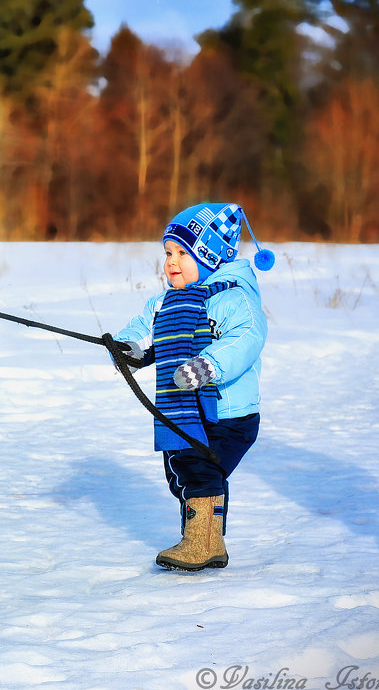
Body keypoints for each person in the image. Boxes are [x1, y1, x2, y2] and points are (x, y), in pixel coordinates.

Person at [114, 202, 274, 571]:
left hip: (230, 415)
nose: (171, 261)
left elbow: (247, 338)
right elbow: (143, 333)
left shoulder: (234, 299)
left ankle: (200, 543)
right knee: (184, 472)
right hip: (184, 410)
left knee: (198, 469)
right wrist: (128, 349)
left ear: (210, 255)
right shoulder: (165, 303)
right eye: (168, 252)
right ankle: (208, 541)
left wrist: (208, 365)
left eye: (182, 253)